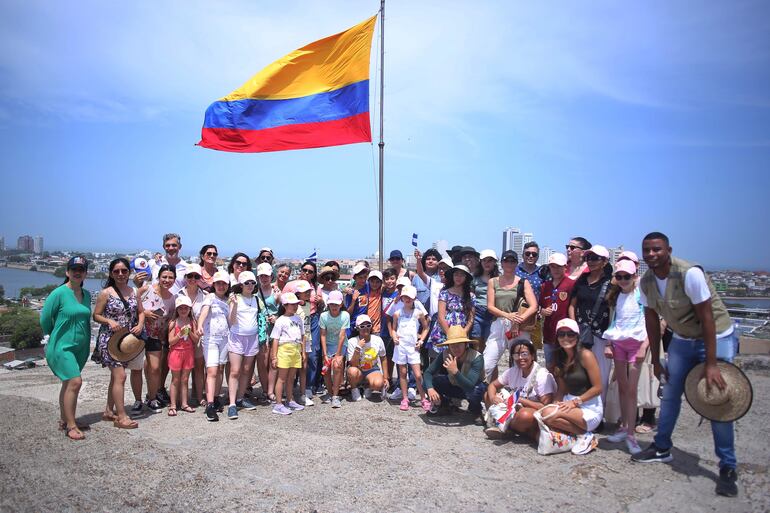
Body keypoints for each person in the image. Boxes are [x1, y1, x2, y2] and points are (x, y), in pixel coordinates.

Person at [632, 232, 740, 498]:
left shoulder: (689, 274)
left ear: (668, 250)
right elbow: (651, 320)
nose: (651, 254)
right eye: (646, 250)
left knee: (716, 399)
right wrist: (656, 360)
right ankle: (661, 447)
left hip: (715, 337)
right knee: (670, 394)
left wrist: (711, 364)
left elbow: (708, 319)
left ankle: (728, 466)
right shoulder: (646, 281)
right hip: (682, 338)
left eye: (656, 249)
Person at [40, 256, 92, 440]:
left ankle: (65, 419)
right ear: (67, 272)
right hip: (62, 346)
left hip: (80, 347)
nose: (78, 272)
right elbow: (45, 319)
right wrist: (53, 336)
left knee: (68, 383)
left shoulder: (86, 295)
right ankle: (71, 425)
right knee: (75, 382)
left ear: (86, 273)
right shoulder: (59, 293)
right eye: (74, 269)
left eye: (82, 269)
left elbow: (86, 319)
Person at [602, 258, 648, 454]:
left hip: (636, 343)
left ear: (634, 276)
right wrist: (609, 343)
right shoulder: (616, 295)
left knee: (631, 390)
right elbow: (615, 321)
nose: (622, 280)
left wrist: (644, 346)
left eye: (626, 276)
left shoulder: (641, 293)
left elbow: (650, 322)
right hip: (619, 343)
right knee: (622, 387)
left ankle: (631, 434)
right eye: (619, 276)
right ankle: (624, 427)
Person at [93, 257, 145, 429]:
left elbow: (141, 311)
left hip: (126, 341)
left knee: (116, 377)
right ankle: (121, 416)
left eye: (124, 271)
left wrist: (140, 324)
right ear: (111, 273)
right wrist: (109, 321)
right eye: (117, 271)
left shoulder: (133, 291)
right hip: (110, 340)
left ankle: (109, 410)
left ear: (129, 272)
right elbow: (96, 315)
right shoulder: (106, 293)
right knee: (120, 376)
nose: (121, 274)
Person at [542, 319, 603, 455]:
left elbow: (598, 388)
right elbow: (562, 389)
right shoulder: (559, 357)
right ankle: (578, 435)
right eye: (561, 334)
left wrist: (575, 402)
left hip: (589, 407)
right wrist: (555, 403)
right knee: (545, 415)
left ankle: (585, 434)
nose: (566, 338)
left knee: (548, 414)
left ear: (577, 336)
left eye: (570, 334)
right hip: (569, 403)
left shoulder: (586, 355)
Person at [484, 339, 556, 440]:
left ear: (532, 355)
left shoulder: (542, 375)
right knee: (488, 395)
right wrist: (493, 398)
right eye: (516, 355)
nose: (520, 358)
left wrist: (520, 400)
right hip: (513, 409)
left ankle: (503, 425)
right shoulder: (513, 371)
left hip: (532, 412)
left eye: (524, 354)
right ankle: (507, 427)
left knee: (524, 415)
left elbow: (545, 407)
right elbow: (493, 385)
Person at [483, 250, 538, 382]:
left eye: (512, 261)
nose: (509, 263)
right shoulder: (493, 281)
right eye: (506, 260)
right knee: (487, 361)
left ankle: (521, 392)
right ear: (501, 263)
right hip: (499, 323)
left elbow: (534, 306)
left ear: (516, 263)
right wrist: (507, 315)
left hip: (518, 325)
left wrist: (518, 321)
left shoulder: (523, 282)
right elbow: (490, 306)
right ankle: (486, 391)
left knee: (521, 361)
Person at [569, 244, 613, 408]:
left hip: (601, 336)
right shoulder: (581, 281)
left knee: (601, 374)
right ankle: (581, 407)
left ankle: (598, 412)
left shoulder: (611, 283)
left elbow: (613, 311)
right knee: (581, 372)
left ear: (605, 261)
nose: (591, 261)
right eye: (589, 258)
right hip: (581, 334)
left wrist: (610, 339)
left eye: (595, 258)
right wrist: (574, 327)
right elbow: (572, 305)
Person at [137, 263, 177, 412]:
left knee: (155, 368)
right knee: (137, 368)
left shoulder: (172, 298)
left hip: (157, 337)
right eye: (164, 277)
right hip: (140, 333)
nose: (167, 280)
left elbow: (171, 318)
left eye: (171, 277)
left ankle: (152, 397)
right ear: (158, 277)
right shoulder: (146, 289)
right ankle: (138, 399)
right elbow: (131, 305)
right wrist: (144, 313)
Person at [424, 325, 486, 418]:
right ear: (448, 346)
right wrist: (430, 389)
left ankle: (476, 410)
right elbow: (428, 373)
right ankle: (444, 405)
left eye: (459, 345)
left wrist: (455, 371)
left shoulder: (477, 357)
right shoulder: (445, 354)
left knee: (476, 390)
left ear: (465, 344)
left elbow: (470, 385)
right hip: (454, 385)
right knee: (427, 383)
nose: (456, 348)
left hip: (473, 388)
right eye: (453, 345)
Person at [226, 271, 260, 419]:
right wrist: (233, 305)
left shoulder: (256, 299)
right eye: (247, 283)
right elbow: (231, 321)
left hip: (252, 338)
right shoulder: (235, 298)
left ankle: (240, 398)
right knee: (235, 371)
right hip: (237, 337)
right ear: (241, 285)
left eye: (253, 282)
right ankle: (232, 404)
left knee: (246, 370)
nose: (250, 285)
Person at [390, 286, 430, 411]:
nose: (407, 299)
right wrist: (394, 337)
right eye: (404, 297)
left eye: (410, 297)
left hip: (413, 347)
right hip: (400, 346)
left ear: (414, 298)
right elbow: (393, 329)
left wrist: (421, 340)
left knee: (418, 375)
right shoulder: (397, 313)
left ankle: (423, 398)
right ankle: (405, 398)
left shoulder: (418, 313)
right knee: (402, 373)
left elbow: (426, 327)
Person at [198, 270, 231, 421]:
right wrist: (199, 326)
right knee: (211, 370)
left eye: (223, 283)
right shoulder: (210, 297)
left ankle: (216, 397)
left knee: (220, 369)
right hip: (211, 338)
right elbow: (204, 312)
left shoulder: (229, 300)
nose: (221, 286)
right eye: (218, 283)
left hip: (225, 338)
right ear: (214, 285)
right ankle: (210, 404)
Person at [269, 292, 306, 415]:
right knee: (282, 378)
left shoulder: (298, 318)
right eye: (292, 304)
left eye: (296, 304)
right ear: (285, 305)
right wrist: (274, 357)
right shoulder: (280, 320)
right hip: (284, 349)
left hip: (296, 348)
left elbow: (302, 335)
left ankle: (290, 400)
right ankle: (279, 404)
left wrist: (303, 351)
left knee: (291, 377)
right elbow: (275, 339)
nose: (295, 307)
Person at [539, 253, 576, 373]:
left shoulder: (571, 284)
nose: (555, 270)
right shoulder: (545, 286)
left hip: (565, 334)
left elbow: (574, 306)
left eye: (559, 267)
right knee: (549, 366)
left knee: (564, 366)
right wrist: (542, 311)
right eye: (553, 266)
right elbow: (540, 306)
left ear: (565, 267)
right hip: (549, 333)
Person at [178, 264, 208, 407]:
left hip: (197, 337)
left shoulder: (205, 296)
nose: (193, 279)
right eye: (190, 276)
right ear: (185, 277)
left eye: (196, 276)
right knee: (182, 367)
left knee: (198, 367)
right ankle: (181, 397)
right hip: (181, 338)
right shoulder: (178, 294)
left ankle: (199, 395)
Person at [428, 264, 476, 350]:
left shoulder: (471, 296)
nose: (458, 277)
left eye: (462, 275)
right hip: (443, 330)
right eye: (456, 274)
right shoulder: (444, 293)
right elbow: (441, 317)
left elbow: (471, 319)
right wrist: (450, 334)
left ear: (466, 278)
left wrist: (462, 334)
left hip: (461, 332)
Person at [167, 295, 199, 416]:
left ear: (190, 309)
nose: (183, 310)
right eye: (181, 308)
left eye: (186, 308)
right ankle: (173, 404)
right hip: (176, 352)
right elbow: (170, 341)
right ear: (177, 309)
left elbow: (196, 340)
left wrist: (189, 331)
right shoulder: (173, 323)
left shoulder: (192, 322)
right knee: (175, 379)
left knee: (185, 379)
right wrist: (180, 334)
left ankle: (184, 403)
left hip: (188, 352)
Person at [346, 315, 389, 401]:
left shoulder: (378, 340)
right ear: (357, 328)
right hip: (358, 369)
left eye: (368, 325)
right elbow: (353, 364)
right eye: (362, 326)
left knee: (378, 384)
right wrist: (358, 348)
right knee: (352, 371)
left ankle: (368, 387)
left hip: (372, 369)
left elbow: (383, 358)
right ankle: (354, 389)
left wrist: (385, 378)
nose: (365, 328)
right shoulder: (352, 341)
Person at [319, 290, 350, 408]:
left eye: (336, 304)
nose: (334, 307)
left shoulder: (345, 315)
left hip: (341, 344)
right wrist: (325, 354)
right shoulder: (323, 316)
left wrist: (337, 355)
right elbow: (323, 335)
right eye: (332, 304)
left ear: (341, 304)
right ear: (328, 304)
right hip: (328, 344)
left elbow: (342, 335)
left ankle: (336, 396)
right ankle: (330, 393)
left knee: (337, 365)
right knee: (325, 368)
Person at [254, 262, 277, 403]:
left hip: (274, 329)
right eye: (261, 276)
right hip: (260, 330)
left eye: (266, 276)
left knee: (272, 361)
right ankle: (265, 390)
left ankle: (271, 390)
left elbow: (284, 310)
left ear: (271, 276)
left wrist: (277, 317)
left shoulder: (277, 292)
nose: (264, 278)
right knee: (262, 362)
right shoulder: (254, 291)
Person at [471, 249, 498, 344]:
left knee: (489, 342)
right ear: (480, 262)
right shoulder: (475, 278)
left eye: (490, 260)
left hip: (493, 314)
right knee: (476, 340)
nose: (487, 263)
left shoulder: (499, 278)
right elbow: (471, 294)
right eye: (484, 260)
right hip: (477, 312)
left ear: (494, 262)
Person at [345, 263, 370, 336]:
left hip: (365, 324)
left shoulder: (367, 286)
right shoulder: (350, 293)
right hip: (354, 326)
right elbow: (348, 314)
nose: (363, 280)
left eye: (365, 277)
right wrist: (353, 300)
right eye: (360, 277)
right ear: (355, 278)